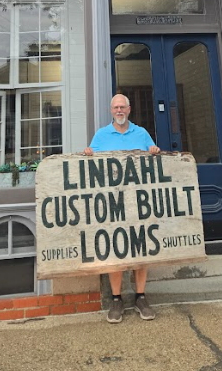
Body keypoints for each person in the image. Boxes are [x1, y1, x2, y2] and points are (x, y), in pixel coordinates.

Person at [84, 93, 160, 323]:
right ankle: (116, 300)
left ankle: (140, 296)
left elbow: (152, 156)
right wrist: (88, 154)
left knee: (141, 250)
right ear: (111, 111)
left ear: (129, 110)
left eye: (122, 107)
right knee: (114, 250)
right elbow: (91, 161)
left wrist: (154, 151)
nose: (119, 111)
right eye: (115, 107)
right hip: (112, 204)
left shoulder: (141, 133)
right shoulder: (101, 135)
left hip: (139, 203)